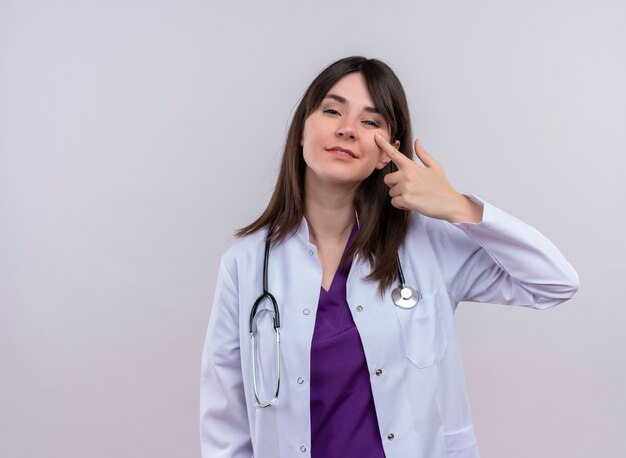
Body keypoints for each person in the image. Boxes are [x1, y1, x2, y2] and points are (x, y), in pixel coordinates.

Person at [199, 56, 579, 458]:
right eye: (332, 110)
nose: (347, 129)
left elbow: (554, 282)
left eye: (370, 122)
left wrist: (457, 206)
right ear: (301, 130)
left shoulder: (426, 248)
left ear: (387, 154)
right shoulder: (246, 265)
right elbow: (225, 423)